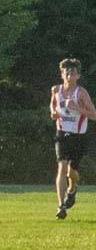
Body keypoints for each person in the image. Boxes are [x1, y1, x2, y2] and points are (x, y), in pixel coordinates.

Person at [50, 58, 95, 219]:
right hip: (61, 133)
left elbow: (94, 115)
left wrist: (75, 107)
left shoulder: (81, 93)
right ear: (62, 74)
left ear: (78, 76)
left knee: (71, 172)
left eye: (73, 74)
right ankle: (61, 206)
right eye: (66, 73)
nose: (69, 76)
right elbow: (53, 105)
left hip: (78, 136)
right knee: (61, 168)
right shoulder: (56, 90)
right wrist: (53, 112)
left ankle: (72, 189)